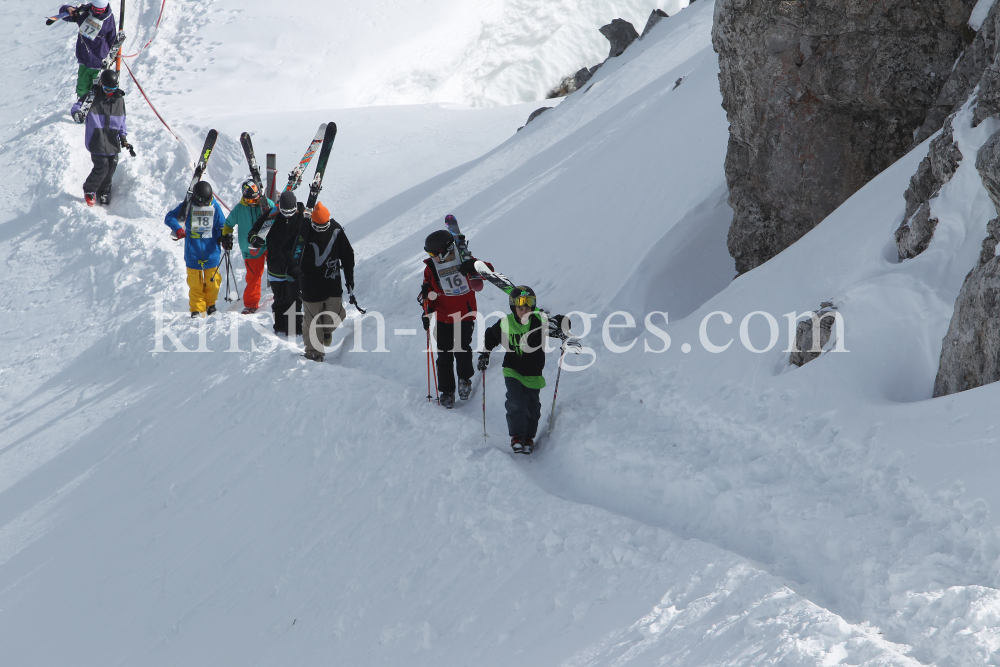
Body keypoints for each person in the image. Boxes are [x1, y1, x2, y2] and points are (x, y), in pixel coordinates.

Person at [477, 286, 573, 454]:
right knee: (516, 402)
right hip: (512, 370)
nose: (525, 311)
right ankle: (516, 437)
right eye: (521, 308)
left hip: (534, 374)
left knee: (532, 407)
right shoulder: (506, 323)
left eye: (528, 307)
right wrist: (485, 354)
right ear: (513, 308)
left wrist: (562, 327)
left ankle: (528, 437)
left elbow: (562, 321)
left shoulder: (539, 321)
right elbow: (491, 335)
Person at [419, 229, 491, 409]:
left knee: (461, 350)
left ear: (444, 252)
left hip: (464, 315)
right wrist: (426, 311)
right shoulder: (431, 268)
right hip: (443, 317)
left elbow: (488, 270)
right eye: (430, 254)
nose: (432, 257)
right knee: (444, 355)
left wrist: (474, 266)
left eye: (434, 254)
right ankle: (447, 391)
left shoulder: (465, 260)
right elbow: (427, 292)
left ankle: (464, 379)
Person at [287, 202, 355, 362]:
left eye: (325, 226)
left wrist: (350, 280)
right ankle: (314, 353)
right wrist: (293, 266)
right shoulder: (303, 231)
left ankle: (326, 331)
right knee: (312, 321)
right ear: (313, 222)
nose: (322, 229)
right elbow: (287, 249)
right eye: (319, 227)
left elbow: (347, 255)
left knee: (336, 316)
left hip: (332, 284)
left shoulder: (336, 229)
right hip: (309, 285)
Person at [163, 181, 227, 317]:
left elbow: (222, 225)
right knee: (195, 285)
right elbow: (170, 217)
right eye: (201, 203)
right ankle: (197, 309)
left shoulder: (215, 207)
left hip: (211, 254)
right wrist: (178, 228)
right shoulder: (187, 207)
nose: (204, 206)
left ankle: (211, 305)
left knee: (213, 283)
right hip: (193, 254)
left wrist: (224, 237)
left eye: (206, 202)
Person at [72, 69, 131, 206]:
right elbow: (77, 106)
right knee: (102, 166)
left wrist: (123, 138)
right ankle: (90, 190)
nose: (110, 91)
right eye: (107, 88)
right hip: (96, 139)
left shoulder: (119, 100)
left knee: (112, 166)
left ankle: (104, 191)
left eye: (113, 89)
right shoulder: (92, 97)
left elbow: (122, 121)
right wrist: (77, 114)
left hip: (112, 141)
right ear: (101, 84)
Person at [248, 191, 304, 336]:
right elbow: (254, 230)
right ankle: (279, 326)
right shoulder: (272, 216)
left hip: (293, 266)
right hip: (275, 265)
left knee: (294, 299)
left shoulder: (302, 216)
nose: (287, 215)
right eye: (284, 212)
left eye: (291, 212)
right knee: (279, 299)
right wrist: (255, 239)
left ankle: (294, 328)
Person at [221, 179, 273, 314]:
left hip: (268, 244)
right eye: (249, 201)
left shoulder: (264, 204)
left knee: (276, 270)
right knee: (253, 276)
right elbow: (228, 225)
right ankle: (251, 304)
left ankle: (281, 294)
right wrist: (226, 236)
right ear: (244, 198)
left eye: (255, 200)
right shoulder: (239, 209)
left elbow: (276, 214)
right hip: (251, 249)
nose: (252, 203)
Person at [59, 1, 118, 101]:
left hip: (99, 62)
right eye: (95, 9)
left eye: (100, 10)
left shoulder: (108, 18)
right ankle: (81, 103)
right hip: (84, 59)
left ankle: (94, 108)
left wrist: (112, 55)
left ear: (105, 8)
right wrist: (67, 8)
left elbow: (112, 37)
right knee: (82, 87)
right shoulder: (85, 13)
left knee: (95, 88)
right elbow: (66, 16)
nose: (97, 13)